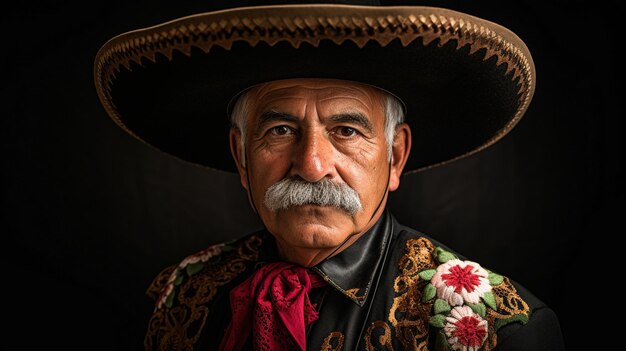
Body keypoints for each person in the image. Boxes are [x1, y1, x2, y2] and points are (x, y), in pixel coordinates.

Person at [94, 1, 565, 350]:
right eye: (280, 130)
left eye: (345, 130)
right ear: (241, 157)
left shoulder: (496, 332)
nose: (312, 164)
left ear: (395, 156)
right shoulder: (182, 293)